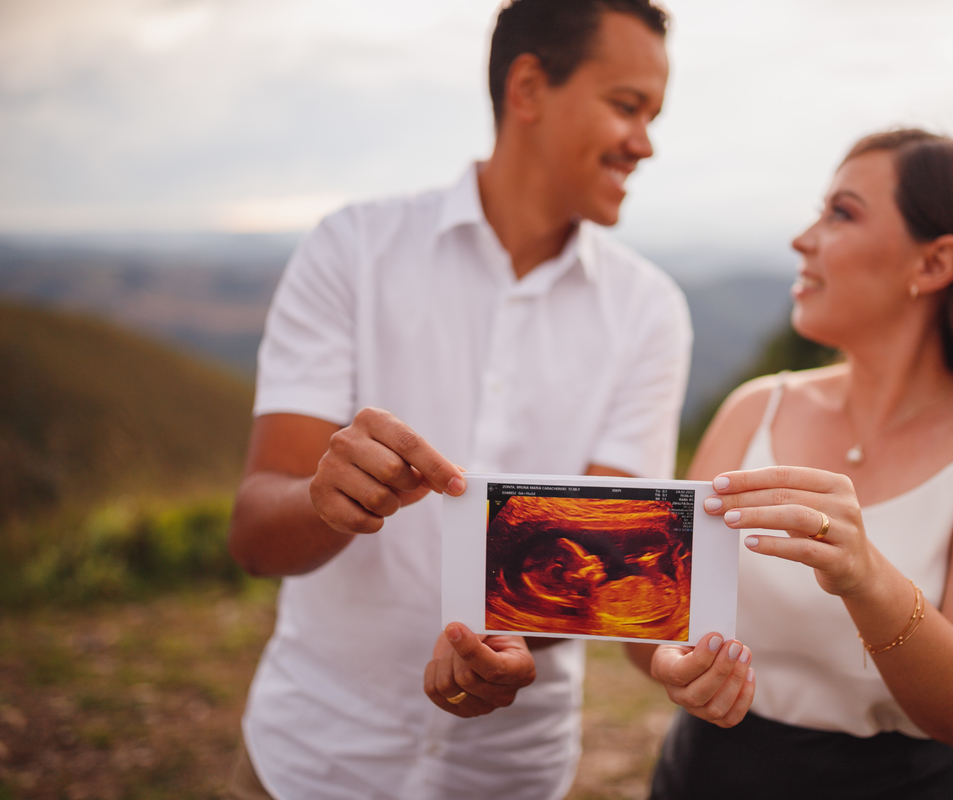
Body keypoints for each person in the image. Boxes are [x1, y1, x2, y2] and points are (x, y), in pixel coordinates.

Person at [225, 1, 690, 798]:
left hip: (509, 774)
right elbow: (257, 534)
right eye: (626, 107)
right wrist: (324, 500)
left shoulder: (651, 313)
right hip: (310, 760)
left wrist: (504, 645)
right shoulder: (352, 251)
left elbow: (606, 567)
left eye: (652, 116)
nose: (645, 143)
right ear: (529, 87)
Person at [627, 129, 953, 799]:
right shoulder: (756, 410)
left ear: (934, 264)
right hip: (709, 777)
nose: (803, 238)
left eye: (842, 213)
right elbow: (655, 621)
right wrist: (672, 663)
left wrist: (868, 578)